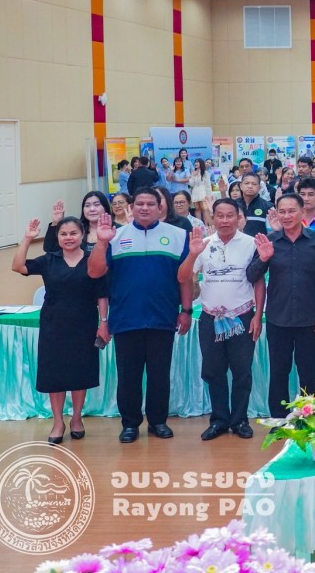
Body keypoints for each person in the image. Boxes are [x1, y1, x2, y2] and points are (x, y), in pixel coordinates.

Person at [87, 190, 191, 443]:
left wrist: (186, 310)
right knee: (128, 376)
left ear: (160, 207)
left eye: (151, 204)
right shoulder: (115, 236)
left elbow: (185, 278)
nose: (145, 208)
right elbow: (94, 272)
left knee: (159, 375)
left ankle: (158, 422)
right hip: (126, 318)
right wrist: (101, 242)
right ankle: (130, 424)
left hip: (163, 317)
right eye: (140, 204)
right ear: (131, 208)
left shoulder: (178, 236)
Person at [13, 216, 109, 444]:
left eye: (73, 233)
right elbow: (18, 266)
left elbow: (102, 294)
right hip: (53, 324)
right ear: (57, 237)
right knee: (54, 375)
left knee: (80, 373)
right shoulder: (49, 260)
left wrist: (104, 322)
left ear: (82, 235)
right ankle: (58, 422)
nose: (68, 238)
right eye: (63, 234)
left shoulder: (92, 260)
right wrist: (27, 238)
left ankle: (76, 418)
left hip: (84, 323)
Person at [177, 199, 263, 441]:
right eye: (220, 216)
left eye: (230, 215)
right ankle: (219, 420)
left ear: (239, 218)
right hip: (210, 318)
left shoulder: (251, 244)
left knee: (242, 371)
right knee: (214, 371)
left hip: (242, 317)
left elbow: (258, 281)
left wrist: (258, 315)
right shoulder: (203, 244)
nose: (225, 220)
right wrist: (193, 255)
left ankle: (240, 420)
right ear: (212, 218)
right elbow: (183, 277)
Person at [247, 193, 315, 418]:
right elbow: (252, 276)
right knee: (279, 372)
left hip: (310, 319)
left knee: (308, 373)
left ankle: (310, 420)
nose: (286, 216)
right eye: (282, 212)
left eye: (291, 211)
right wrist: (264, 258)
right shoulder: (270, 241)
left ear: (302, 212)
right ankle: (279, 420)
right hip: (278, 318)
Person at [45, 191, 113, 254]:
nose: (92, 209)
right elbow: (50, 249)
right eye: (87, 205)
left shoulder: (115, 230)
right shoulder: (76, 228)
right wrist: (56, 223)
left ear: (105, 207)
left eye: (97, 204)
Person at [190, 159, 213, 226]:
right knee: (197, 209)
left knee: (204, 208)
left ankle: (207, 225)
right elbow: (191, 184)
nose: (196, 163)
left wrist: (208, 195)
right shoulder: (193, 172)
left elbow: (208, 185)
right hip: (195, 192)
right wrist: (193, 176)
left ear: (201, 163)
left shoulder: (205, 173)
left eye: (197, 162)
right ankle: (199, 225)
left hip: (203, 191)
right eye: (195, 162)